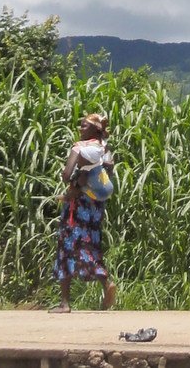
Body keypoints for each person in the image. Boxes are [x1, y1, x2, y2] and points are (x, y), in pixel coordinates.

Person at [49, 112, 117, 313]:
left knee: (68, 245)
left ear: (94, 129)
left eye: (84, 126)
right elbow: (108, 171)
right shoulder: (104, 147)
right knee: (90, 243)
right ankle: (105, 282)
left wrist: (74, 180)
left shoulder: (79, 148)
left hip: (77, 205)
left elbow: (66, 175)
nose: (80, 128)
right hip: (95, 205)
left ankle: (65, 302)